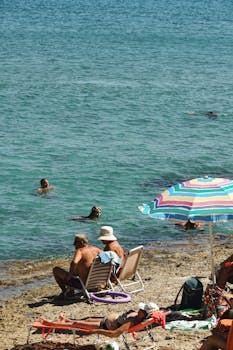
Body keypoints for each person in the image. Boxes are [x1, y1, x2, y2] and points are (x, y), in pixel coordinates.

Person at [58, 302, 160, 337]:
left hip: (104, 325)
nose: (139, 309)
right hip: (106, 320)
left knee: (77, 323)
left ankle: (62, 322)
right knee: (88, 319)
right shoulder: (138, 318)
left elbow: (114, 333)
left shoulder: (131, 322)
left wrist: (97, 331)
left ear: (144, 314)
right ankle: (66, 320)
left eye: (141, 309)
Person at [53, 234, 102, 298]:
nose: (74, 244)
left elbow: (74, 262)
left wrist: (69, 275)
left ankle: (65, 291)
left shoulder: (80, 251)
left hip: (84, 285)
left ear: (82, 242)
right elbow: (107, 258)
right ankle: (70, 291)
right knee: (76, 271)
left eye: (75, 242)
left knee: (56, 270)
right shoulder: (96, 249)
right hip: (97, 284)